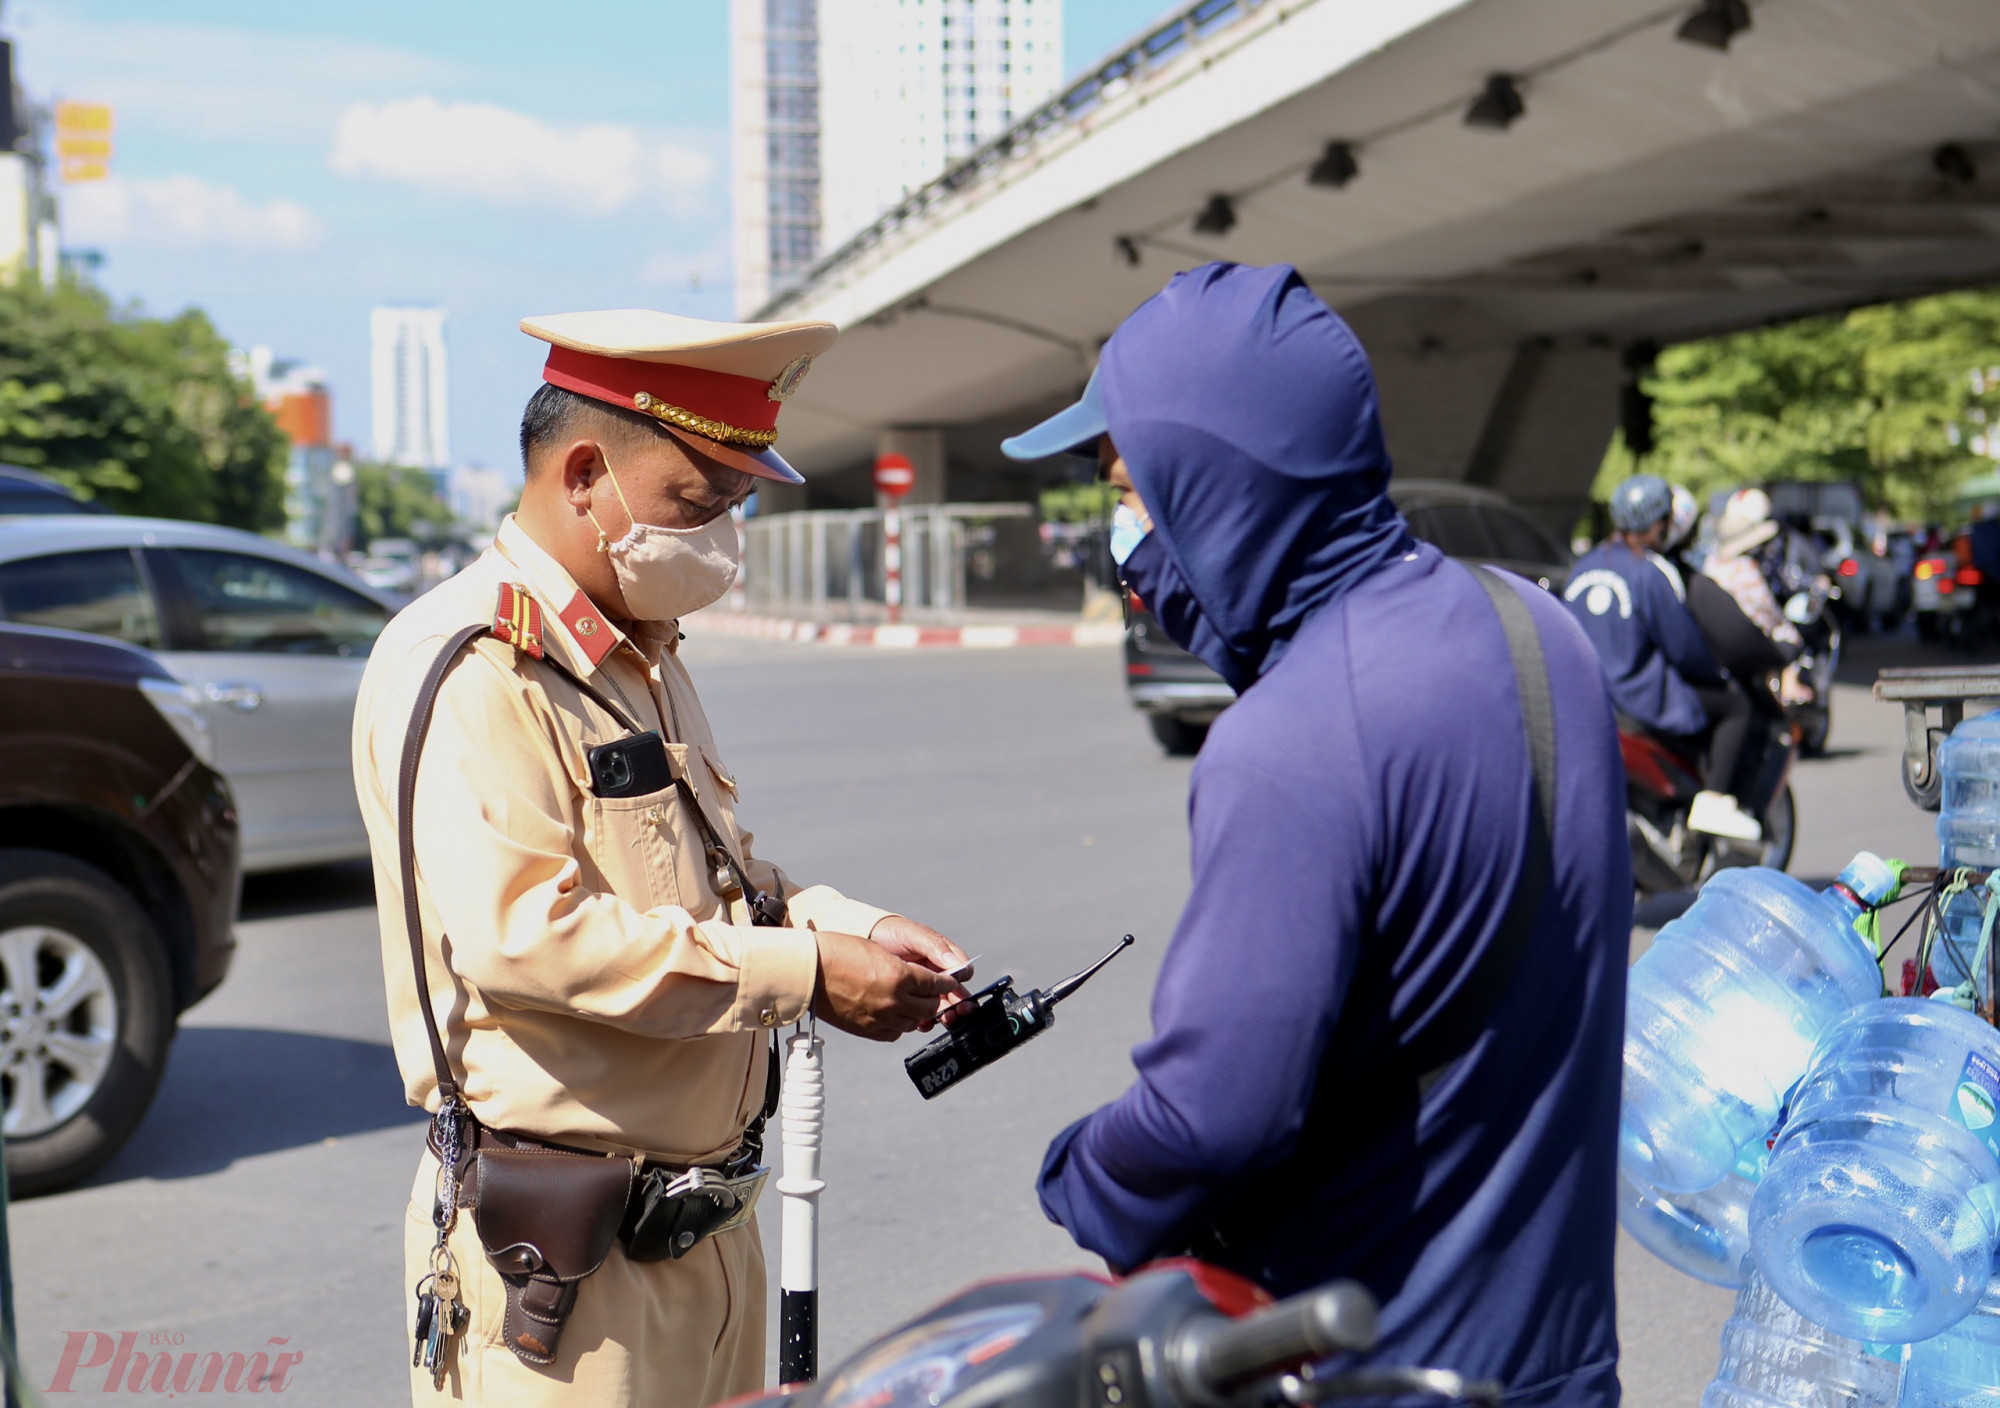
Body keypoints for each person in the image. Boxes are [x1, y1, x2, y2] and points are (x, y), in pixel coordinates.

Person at [1006, 263, 1630, 1406]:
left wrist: (1081, 1170)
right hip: (1553, 1358)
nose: (1120, 533)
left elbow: (1212, 1114)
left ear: (1214, 478)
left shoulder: (1292, 735)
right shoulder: (1535, 627)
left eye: (1126, 487)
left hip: (1362, 1367)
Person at [351, 309, 970, 1408]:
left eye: (737, 506)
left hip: (705, 1234)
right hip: (563, 1273)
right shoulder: (475, 666)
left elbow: (709, 877)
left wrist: (843, 923)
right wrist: (808, 974)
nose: (722, 539)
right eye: (698, 504)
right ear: (585, 474)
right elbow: (530, 940)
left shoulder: (634, 649)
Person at [1565, 476, 1762, 842]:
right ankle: (1714, 800)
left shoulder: (1581, 569)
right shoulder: (1649, 573)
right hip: (1639, 699)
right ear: (1658, 524)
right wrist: (1717, 675)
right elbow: (1684, 648)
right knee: (1735, 706)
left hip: (1588, 698)